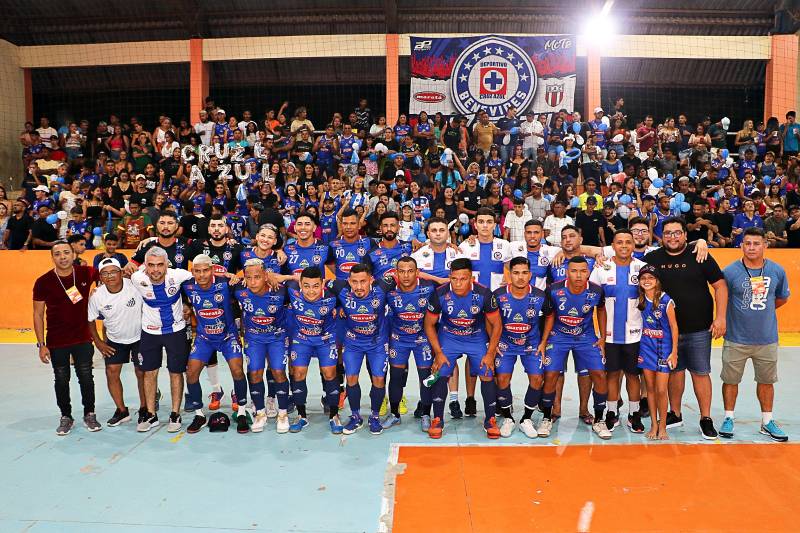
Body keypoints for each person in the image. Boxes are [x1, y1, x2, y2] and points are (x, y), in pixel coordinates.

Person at [644, 218, 727, 440]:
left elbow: (720, 286)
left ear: (685, 235)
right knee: (674, 372)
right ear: (662, 236)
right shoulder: (652, 259)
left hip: (699, 328)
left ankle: (705, 418)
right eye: (668, 233)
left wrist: (720, 318)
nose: (672, 237)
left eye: (677, 233)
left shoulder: (699, 254)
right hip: (666, 332)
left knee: (700, 372)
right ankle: (675, 413)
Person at [719, 228, 790, 442]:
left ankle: (767, 421)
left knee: (766, 381)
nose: (751, 247)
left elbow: (781, 298)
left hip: (766, 338)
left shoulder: (777, 270)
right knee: (730, 380)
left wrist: (762, 310)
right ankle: (728, 417)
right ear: (741, 245)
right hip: (736, 338)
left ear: (765, 245)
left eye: (756, 243)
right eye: (747, 243)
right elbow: (722, 298)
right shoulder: (730, 271)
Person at [425, 258, 503, 439]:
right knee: (441, 370)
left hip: (475, 336)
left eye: (463, 279)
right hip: (449, 336)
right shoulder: (439, 294)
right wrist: (438, 353)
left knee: (486, 370)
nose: (458, 283)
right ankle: (437, 418)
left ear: (471, 278)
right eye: (454, 279)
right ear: (449, 277)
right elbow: (429, 324)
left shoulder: (484, 293)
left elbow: (497, 324)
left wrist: (490, 353)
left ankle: (490, 419)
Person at [537, 257, 611, 439]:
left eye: (583, 271)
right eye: (574, 271)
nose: (578, 275)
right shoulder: (554, 290)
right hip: (558, 336)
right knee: (551, 374)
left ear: (588, 272)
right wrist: (544, 341)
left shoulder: (596, 290)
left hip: (585, 336)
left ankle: (599, 419)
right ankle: (546, 417)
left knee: (599, 374)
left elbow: (601, 310)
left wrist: (602, 337)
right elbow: (549, 316)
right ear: (567, 272)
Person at [32, 241, 101, 435]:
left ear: (73, 254)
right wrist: (41, 344)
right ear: (52, 257)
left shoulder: (85, 272)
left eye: (66, 252)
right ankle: (66, 416)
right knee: (61, 379)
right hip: (57, 340)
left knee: (86, 377)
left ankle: (90, 413)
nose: (62, 257)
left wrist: (100, 288)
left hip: (83, 337)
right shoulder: (43, 281)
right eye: (57, 254)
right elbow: (38, 314)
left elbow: (108, 273)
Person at [182, 255, 249, 435]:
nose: (202, 275)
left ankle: (242, 412)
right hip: (204, 337)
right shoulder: (187, 286)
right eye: (197, 271)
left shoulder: (226, 283)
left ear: (212, 270)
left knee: (237, 370)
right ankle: (199, 415)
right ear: (192, 271)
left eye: (205, 270)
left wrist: (234, 277)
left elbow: (249, 285)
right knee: (191, 372)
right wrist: (185, 306)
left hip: (228, 336)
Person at [129, 247, 193, 432]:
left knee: (176, 372)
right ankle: (151, 414)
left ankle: (175, 413)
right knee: (149, 373)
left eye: (159, 265)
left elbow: (203, 276)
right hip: (149, 333)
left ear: (167, 265)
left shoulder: (178, 275)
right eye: (151, 265)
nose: (155, 270)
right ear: (145, 266)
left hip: (176, 332)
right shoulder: (137, 278)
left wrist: (188, 305)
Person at [589, 229, 646, 433]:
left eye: (628, 242)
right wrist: (599, 335)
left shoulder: (642, 268)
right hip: (610, 335)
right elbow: (592, 301)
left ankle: (634, 414)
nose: (624, 246)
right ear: (612, 246)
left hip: (635, 335)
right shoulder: (601, 268)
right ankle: (612, 413)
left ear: (633, 245)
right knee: (612, 375)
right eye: (619, 242)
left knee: (633, 376)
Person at [327, 264, 392, 435]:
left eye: (363, 281)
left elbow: (407, 278)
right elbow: (315, 283)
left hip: (377, 343)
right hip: (353, 343)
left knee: (378, 379)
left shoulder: (382, 287)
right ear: (349, 281)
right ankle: (355, 417)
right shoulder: (340, 288)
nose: (359, 286)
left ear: (371, 280)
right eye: (354, 282)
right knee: (351, 378)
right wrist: (338, 307)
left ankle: (375, 417)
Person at [493, 256, 547, 438]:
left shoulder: (540, 296)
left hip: (531, 344)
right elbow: (489, 319)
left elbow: (550, 317)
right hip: (505, 344)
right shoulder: (498, 295)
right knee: (502, 379)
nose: (520, 277)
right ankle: (508, 418)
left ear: (530, 275)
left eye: (524, 273)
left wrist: (543, 341)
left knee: (537, 379)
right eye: (516, 273)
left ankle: (526, 419)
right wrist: (493, 343)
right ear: (510, 274)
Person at [284, 267, 342, 434]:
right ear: (300, 284)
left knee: (329, 373)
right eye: (307, 286)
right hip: (301, 339)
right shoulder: (292, 291)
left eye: (316, 286)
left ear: (322, 284)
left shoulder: (333, 295)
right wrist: (289, 277)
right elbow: (271, 278)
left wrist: (341, 309)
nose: (311, 291)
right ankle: (301, 416)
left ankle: (334, 415)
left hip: (326, 339)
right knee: (298, 373)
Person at [87, 258, 144, 427]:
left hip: (140, 337)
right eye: (105, 273)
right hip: (115, 339)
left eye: (113, 272)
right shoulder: (97, 295)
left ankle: (145, 408)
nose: (109, 276)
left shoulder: (134, 285)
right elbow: (90, 320)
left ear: (121, 273)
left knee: (142, 372)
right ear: (100, 277)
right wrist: (99, 343)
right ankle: (122, 410)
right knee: (111, 372)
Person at [383, 256, 438, 430]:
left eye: (410, 271)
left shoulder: (429, 289)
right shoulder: (389, 291)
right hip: (399, 340)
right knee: (396, 377)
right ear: (396, 273)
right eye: (402, 271)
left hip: (422, 340)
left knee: (426, 378)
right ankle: (395, 414)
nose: (406, 275)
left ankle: (426, 414)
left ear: (417, 272)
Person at [236, 259, 291, 433]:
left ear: (266, 276)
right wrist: (232, 276)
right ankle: (260, 414)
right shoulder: (239, 290)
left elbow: (304, 280)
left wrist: (282, 277)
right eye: (249, 277)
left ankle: (283, 414)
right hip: (254, 339)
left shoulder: (281, 291)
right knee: (254, 373)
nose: (252, 282)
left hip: (277, 338)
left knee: (278, 372)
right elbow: (210, 277)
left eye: (257, 277)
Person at [636, 264, 678, 440]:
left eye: (651, 278)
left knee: (661, 390)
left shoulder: (666, 300)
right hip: (646, 348)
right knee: (650, 389)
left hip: (663, 349)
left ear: (657, 281)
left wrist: (674, 352)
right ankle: (653, 424)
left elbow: (674, 327)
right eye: (643, 278)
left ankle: (663, 426)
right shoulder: (640, 300)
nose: (647, 281)